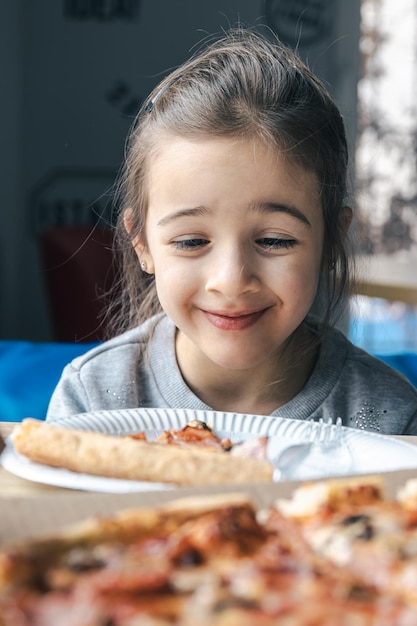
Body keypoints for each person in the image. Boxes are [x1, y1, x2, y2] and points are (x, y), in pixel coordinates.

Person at [46, 27, 417, 434]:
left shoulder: (391, 419)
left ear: (330, 240)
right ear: (142, 242)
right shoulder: (91, 400)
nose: (231, 281)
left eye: (274, 240)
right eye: (191, 241)